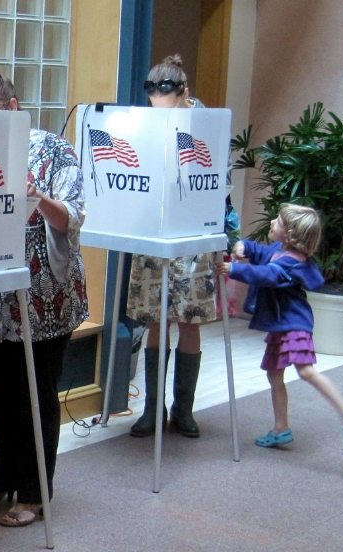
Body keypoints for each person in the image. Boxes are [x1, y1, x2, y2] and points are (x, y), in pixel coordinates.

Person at [0, 68, 88, 527]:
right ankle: (0, 480)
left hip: (46, 297)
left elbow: (73, 217)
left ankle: (33, 494)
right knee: (1, 393)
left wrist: (37, 197)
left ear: (13, 110)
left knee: (37, 394)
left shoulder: (53, 149)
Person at [127, 54, 239, 439]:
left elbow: (223, 188)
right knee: (157, 319)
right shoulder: (148, 122)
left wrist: (224, 240)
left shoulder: (208, 127)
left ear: (185, 95)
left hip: (194, 235)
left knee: (190, 321)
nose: (161, 114)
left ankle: (183, 409)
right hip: (155, 232)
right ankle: (152, 410)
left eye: (168, 107)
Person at [218, 204, 343, 448]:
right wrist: (244, 245)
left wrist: (234, 269)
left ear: (289, 235)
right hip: (281, 325)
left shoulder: (291, 262)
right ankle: (280, 428)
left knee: (306, 371)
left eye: (277, 222)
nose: (272, 223)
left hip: (294, 325)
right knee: (274, 374)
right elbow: (262, 253)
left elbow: (267, 274)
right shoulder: (279, 250)